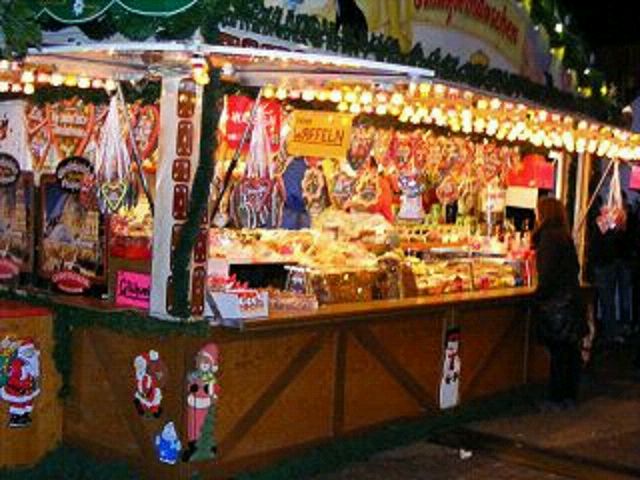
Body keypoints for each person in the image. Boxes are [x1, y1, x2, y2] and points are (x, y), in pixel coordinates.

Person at [532, 197, 587, 411]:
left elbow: (547, 275)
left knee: (559, 355)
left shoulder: (548, 238)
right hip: (571, 302)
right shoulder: (564, 236)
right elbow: (575, 268)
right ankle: (569, 397)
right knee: (569, 353)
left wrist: (538, 297)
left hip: (557, 306)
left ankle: (555, 398)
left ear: (544, 214)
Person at [589, 192, 635, 344]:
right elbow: (610, 240)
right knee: (608, 300)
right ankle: (610, 332)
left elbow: (610, 240)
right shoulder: (604, 220)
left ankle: (609, 332)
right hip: (607, 262)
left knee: (607, 299)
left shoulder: (605, 220)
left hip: (606, 262)